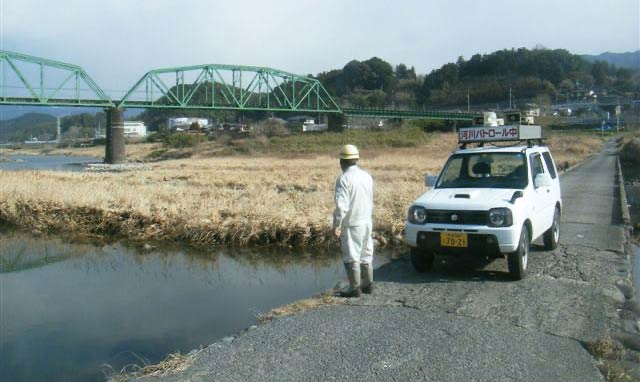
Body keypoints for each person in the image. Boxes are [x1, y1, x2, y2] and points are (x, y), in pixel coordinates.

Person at [332, 144, 374, 298]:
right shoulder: (367, 176)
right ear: (356, 159)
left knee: (351, 256)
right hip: (366, 221)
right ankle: (368, 285)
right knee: (366, 253)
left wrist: (337, 225)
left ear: (341, 161)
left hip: (351, 224)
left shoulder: (344, 179)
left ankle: (354, 288)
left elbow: (341, 207)